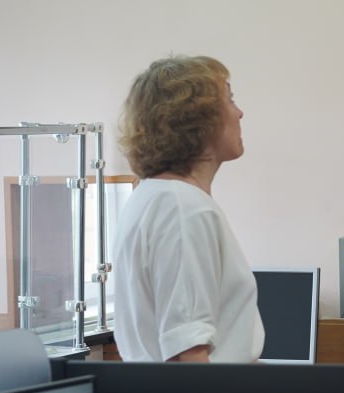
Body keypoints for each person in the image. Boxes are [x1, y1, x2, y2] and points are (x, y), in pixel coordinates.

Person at [113, 54, 264, 364]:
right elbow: (188, 352)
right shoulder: (182, 208)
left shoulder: (153, 197)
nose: (240, 113)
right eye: (229, 100)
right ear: (199, 120)